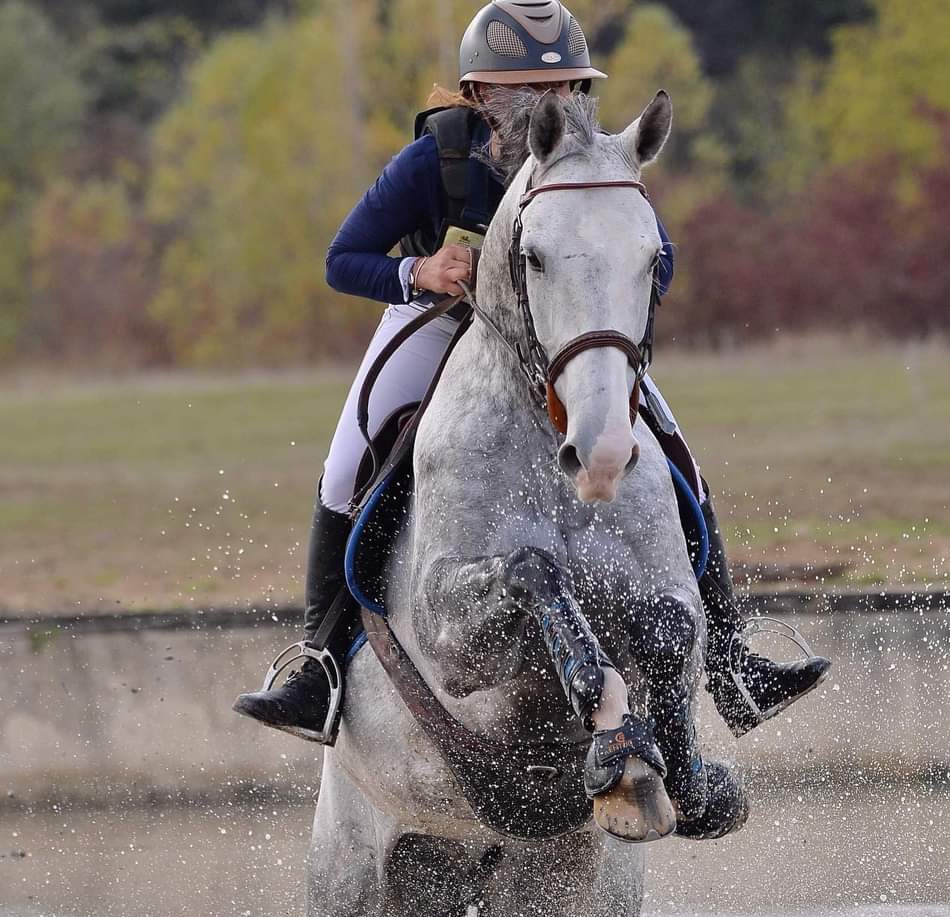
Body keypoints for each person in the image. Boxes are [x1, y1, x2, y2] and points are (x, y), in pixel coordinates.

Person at [233, 0, 830, 744]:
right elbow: (340, 262)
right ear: (480, 94)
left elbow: (660, 260)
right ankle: (317, 667)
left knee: (679, 456)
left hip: (561, 343)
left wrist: (605, 290)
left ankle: (733, 663)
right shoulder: (434, 162)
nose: (554, 106)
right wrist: (418, 268)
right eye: (528, 92)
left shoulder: (599, 160)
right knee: (345, 464)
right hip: (440, 324)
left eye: (571, 89)